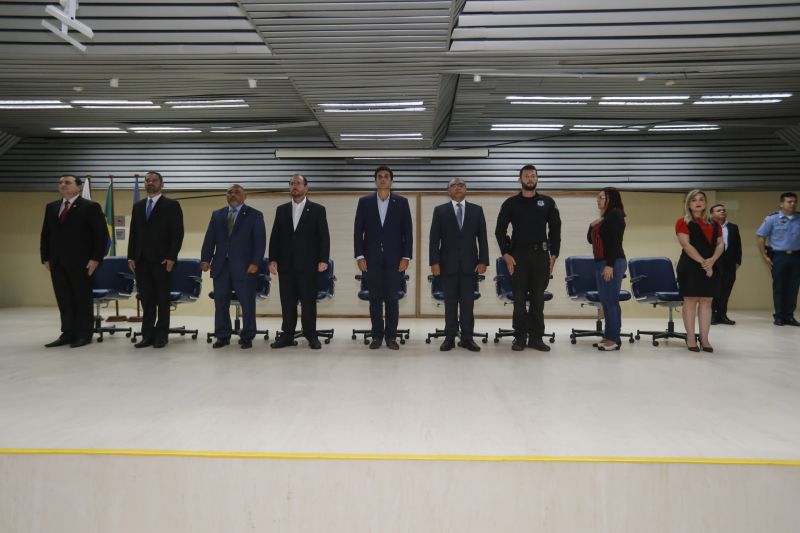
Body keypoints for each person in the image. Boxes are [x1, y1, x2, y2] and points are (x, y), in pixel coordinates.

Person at [495, 164, 561, 352]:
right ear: (520, 179)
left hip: (541, 256)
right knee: (519, 298)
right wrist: (506, 254)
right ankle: (520, 337)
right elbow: (500, 230)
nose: (530, 179)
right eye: (526, 176)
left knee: (538, 299)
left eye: (533, 176)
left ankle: (537, 337)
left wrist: (554, 254)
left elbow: (556, 229)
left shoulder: (547, 202)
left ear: (537, 179)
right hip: (518, 257)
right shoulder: (510, 203)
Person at [40, 175, 109, 348]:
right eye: (60, 182)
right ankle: (68, 333)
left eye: (67, 182)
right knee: (64, 299)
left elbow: (101, 236)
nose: (63, 185)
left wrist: (95, 259)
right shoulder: (52, 207)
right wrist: (45, 257)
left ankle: (84, 334)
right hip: (57, 262)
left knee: (81, 298)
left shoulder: (90, 207)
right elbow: (46, 234)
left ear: (78, 188)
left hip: (82, 262)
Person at [354, 165, 413, 350]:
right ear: (375, 180)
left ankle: (391, 337)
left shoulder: (401, 202)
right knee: (375, 300)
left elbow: (408, 232)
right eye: (379, 176)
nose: (383, 179)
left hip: (395, 260)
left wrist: (406, 257)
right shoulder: (364, 202)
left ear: (391, 181)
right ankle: (377, 337)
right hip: (371, 260)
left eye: (386, 176)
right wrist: (360, 256)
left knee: (392, 299)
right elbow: (358, 231)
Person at [201, 184, 266, 349]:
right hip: (221, 267)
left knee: (247, 303)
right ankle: (222, 335)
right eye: (229, 192)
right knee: (220, 302)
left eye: (237, 192)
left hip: (245, 267)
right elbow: (209, 239)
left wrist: (255, 263)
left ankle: (247, 336)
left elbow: (260, 242)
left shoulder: (255, 215)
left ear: (245, 196)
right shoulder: (217, 215)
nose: (233, 195)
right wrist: (205, 259)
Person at [269, 175, 330, 350]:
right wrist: (272, 259)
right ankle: (287, 335)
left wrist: (323, 259)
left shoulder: (318, 210)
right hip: (286, 265)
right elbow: (275, 237)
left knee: (308, 302)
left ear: (306, 187)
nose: (294, 186)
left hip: (308, 265)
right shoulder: (281, 210)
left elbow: (323, 237)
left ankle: (311, 335)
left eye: (298, 183)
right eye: (291, 184)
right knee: (287, 302)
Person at [429, 178, 489, 352]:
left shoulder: (477, 211)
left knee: (468, 304)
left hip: (470, 265)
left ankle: (467, 338)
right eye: (453, 186)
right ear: (448, 191)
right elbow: (434, 240)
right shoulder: (440, 211)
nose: (457, 188)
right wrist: (434, 262)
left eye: (461, 185)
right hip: (447, 265)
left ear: (466, 189)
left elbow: (482, 238)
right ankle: (449, 337)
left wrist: (483, 260)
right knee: (450, 304)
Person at [127, 171, 184, 349]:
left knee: (162, 299)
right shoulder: (138, 206)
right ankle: (147, 335)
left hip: (162, 261)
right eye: (147, 180)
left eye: (154, 180)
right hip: (141, 261)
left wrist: (171, 257)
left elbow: (177, 234)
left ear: (161, 184)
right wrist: (131, 256)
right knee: (146, 299)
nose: (150, 183)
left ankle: (161, 335)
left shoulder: (171, 205)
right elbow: (133, 234)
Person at [675, 190, 724, 353]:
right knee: (690, 301)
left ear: (705, 203)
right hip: (690, 266)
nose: (698, 202)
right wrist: (704, 262)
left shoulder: (715, 223)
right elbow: (686, 245)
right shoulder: (683, 222)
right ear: (688, 204)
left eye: (701, 199)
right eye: (694, 200)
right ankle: (690, 337)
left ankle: (704, 338)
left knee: (706, 302)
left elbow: (720, 244)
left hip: (711, 265)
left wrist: (712, 261)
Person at [587, 187, 627, 351]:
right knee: (606, 301)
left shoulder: (615, 214)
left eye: (601, 197)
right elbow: (591, 240)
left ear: (611, 199)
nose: (598, 200)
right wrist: (591, 225)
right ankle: (608, 335)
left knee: (610, 301)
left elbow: (615, 242)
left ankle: (614, 338)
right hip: (601, 261)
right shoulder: (604, 218)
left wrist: (610, 265)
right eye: (597, 197)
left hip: (612, 261)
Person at [756, 192, 800, 326]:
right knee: (779, 287)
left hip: (797, 256)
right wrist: (764, 256)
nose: (792, 204)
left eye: (794, 202)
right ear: (781, 204)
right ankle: (779, 316)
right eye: (789, 201)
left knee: (793, 287)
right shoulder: (772, 219)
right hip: (779, 256)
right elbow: (761, 237)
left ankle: (789, 316)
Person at [709, 203, 742, 325]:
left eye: (723, 210)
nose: (722, 211)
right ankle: (712, 315)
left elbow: (738, 246)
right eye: (718, 210)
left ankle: (722, 315)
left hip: (729, 263)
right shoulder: (708, 226)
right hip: (714, 262)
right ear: (712, 214)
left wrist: (738, 262)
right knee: (713, 290)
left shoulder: (733, 227)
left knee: (725, 290)